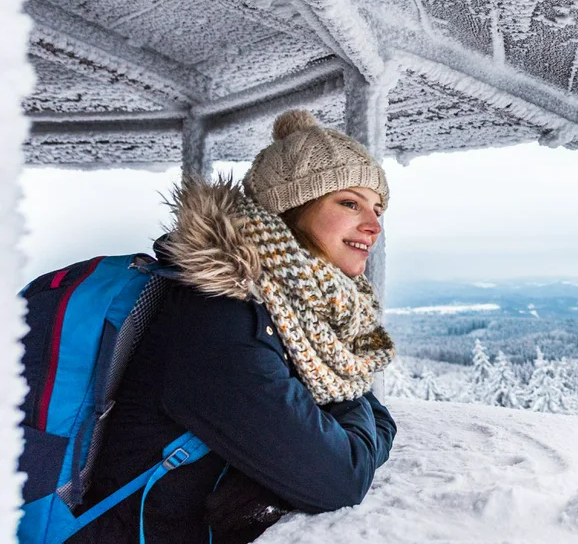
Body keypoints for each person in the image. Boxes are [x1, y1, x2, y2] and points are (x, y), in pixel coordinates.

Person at [74, 110, 398, 543]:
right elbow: (342, 477)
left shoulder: (291, 309)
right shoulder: (220, 315)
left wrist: (338, 415)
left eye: (378, 208)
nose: (374, 225)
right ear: (290, 207)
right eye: (350, 203)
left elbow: (370, 418)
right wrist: (345, 409)